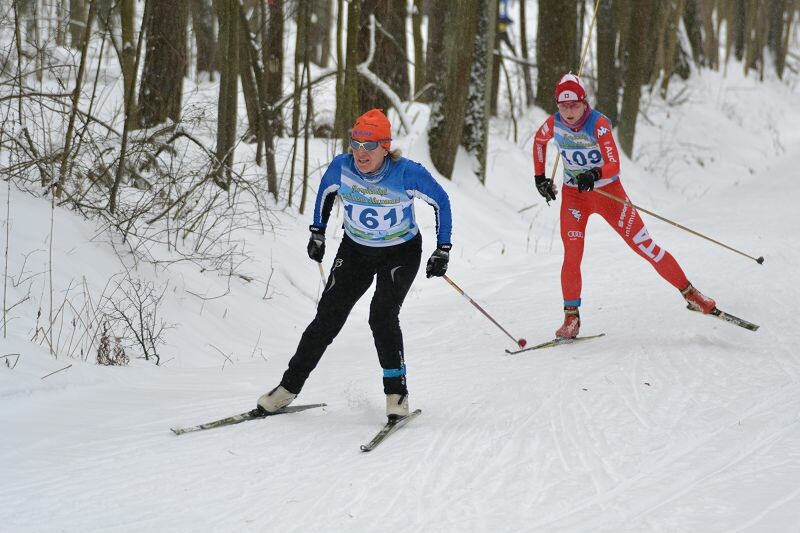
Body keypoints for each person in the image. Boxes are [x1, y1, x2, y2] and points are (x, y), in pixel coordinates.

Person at [258, 109, 453, 420]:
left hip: (400, 252)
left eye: (370, 146)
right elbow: (325, 194)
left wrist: (442, 249)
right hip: (356, 249)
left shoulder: (406, 173)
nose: (361, 153)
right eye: (355, 144)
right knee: (327, 317)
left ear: (385, 147)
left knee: (382, 316)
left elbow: (441, 201)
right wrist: (317, 232)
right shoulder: (342, 167)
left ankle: (396, 394)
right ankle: (286, 389)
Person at [532, 73, 716, 339]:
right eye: (563, 105)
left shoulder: (599, 124)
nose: (569, 112)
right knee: (572, 256)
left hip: (609, 194)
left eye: (574, 105)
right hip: (575, 197)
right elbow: (539, 143)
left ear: (584, 102)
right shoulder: (554, 124)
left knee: (645, 246)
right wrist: (540, 178)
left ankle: (691, 294)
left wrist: (593, 174)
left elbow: (614, 163)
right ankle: (571, 318)